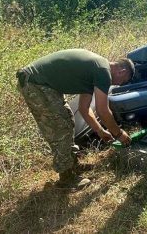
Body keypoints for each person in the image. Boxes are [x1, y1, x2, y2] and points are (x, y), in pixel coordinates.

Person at [16, 49, 134, 189]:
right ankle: (66, 178)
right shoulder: (103, 71)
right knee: (60, 127)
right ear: (122, 71)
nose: (117, 84)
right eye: (122, 82)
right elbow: (103, 111)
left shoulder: (95, 70)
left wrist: (100, 131)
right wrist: (119, 134)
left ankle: (72, 165)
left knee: (68, 119)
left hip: (43, 84)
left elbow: (84, 109)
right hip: (36, 83)